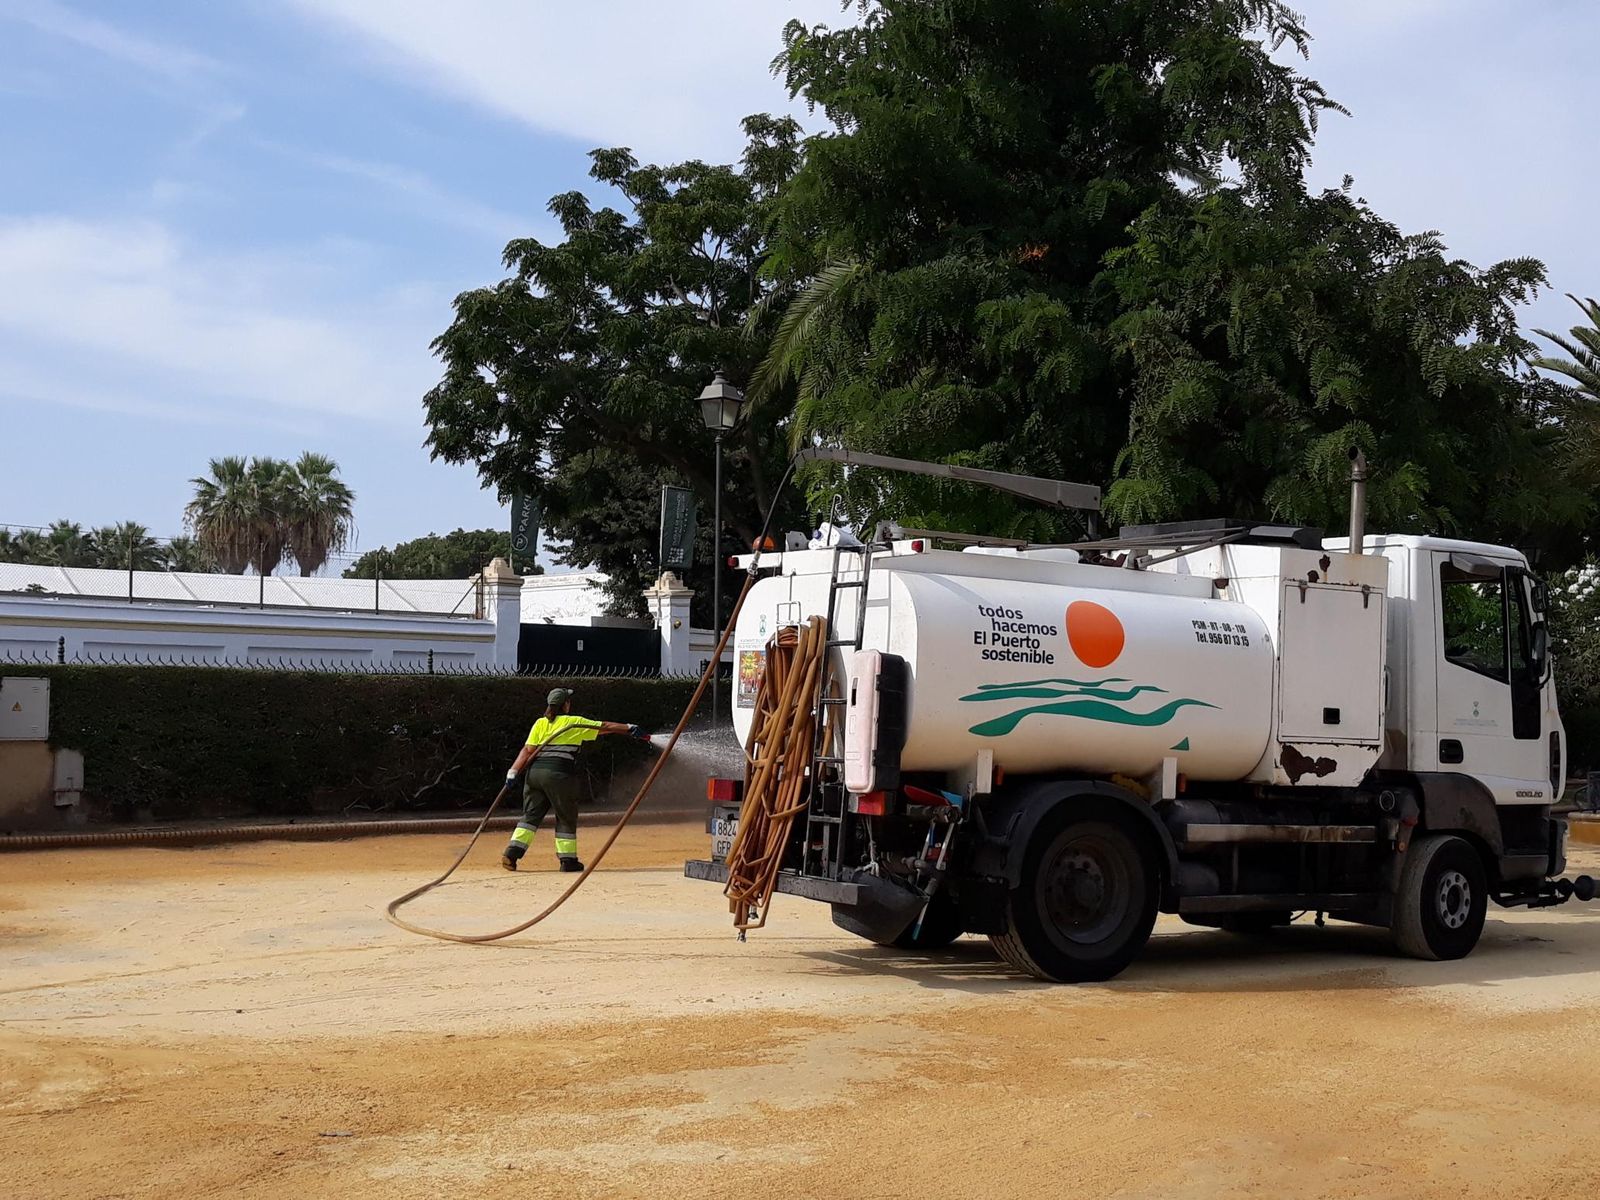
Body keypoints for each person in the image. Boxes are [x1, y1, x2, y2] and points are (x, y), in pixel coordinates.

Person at [501, 688, 640, 873]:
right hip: (558, 774)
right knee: (565, 815)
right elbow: (604, 726)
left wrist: (512, 772)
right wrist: (629, 728)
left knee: (531, 815)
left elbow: (527, 750)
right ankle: (568, 861)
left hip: (535, 775)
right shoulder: (574, 722)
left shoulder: (540, 723)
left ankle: (512, 853)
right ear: (565, 705)